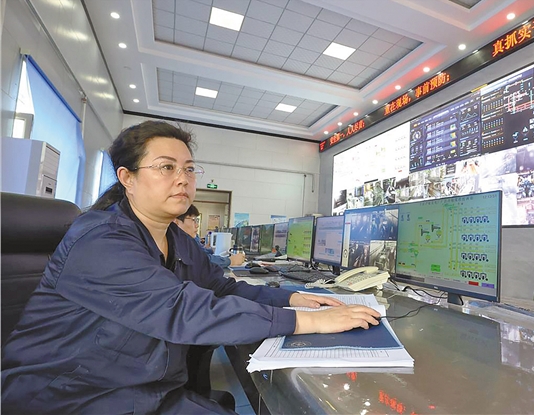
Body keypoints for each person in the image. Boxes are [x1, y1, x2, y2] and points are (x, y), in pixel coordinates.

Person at [0, 121, 380, 414]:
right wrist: (307, 322)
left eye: (189, 168)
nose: (182, 178)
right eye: (166, 167)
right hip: (73, 397)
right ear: (127, 178)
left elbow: (222, 288)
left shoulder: (177, 239)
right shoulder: (99, 240)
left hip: (146, 390)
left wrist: (294, 299)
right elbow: (182, 309)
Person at [175, 204, 245, 268]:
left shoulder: (187, 240)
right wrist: (231, 261)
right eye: (194, 220)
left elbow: (200, 254)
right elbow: (201, 260)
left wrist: (212, 250)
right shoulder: (177, 243)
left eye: (197, 220)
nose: (197, 225)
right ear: (176, 222)